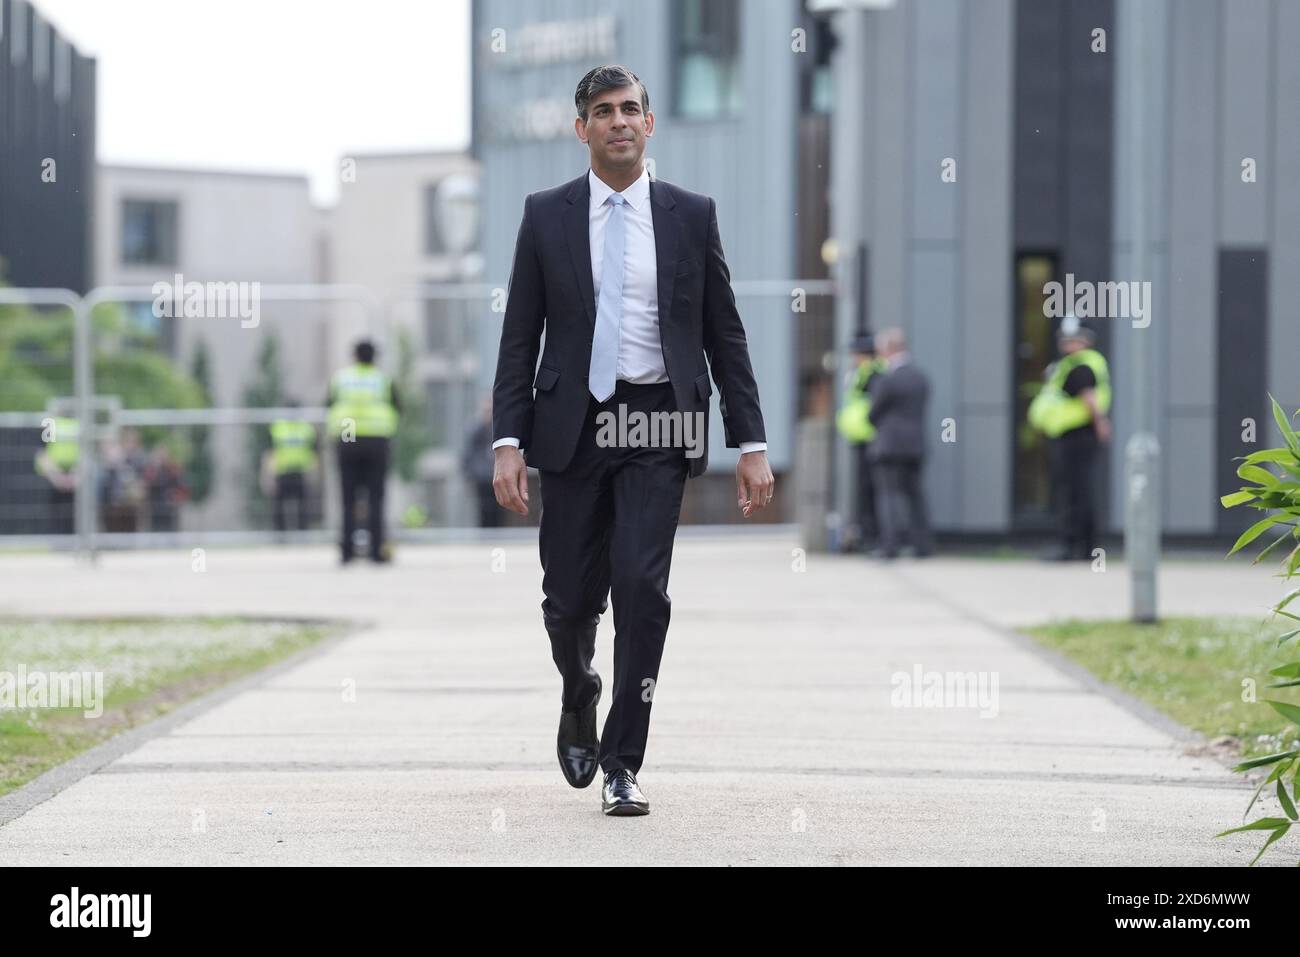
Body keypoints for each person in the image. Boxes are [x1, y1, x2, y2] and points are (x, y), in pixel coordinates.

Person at [491, 64, 773, 815]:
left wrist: (750, 441)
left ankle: (623, 760)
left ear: (650, 124)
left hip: (659, 419)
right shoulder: (545, 214)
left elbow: (725, 334)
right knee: (567, 600)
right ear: (581, 128)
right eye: (603, 111)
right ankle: (579, 687)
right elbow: (520, 336)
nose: (619, 121)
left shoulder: (690, 212)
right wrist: (507, 440)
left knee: (643, 589)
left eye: (631, 109)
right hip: (572, 426)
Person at [1027, 314, 1112, 561]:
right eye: (1065, 339)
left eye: (1073, 339)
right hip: (1073, 435)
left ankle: (1072, 546)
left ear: (1086, 341)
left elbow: (1089, 398)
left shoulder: (1082, 365)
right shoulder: (1073, 363)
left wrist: (1100, 423)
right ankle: (1084, 548)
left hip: (1078, 435)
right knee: (1078, 490)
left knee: (1075, 492)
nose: (1067, 344)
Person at [327, 339, 400, 564]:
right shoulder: (383, 380)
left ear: (355, 356)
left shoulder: (341, 379)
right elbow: (398, 407)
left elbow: (329, 405)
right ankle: (377, 551)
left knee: (348, 499)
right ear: (374, 357)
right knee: (376, 498)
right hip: (377, 441)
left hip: (348, 441)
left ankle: (347, 552)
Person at [867, 327, 934, 559]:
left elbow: (873, 412)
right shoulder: (921, 377)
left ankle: (890, 546)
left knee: (888, 495)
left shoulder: (888, 379)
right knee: (916, 495)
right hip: (915, 444)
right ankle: (922, 546)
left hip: (889, 445)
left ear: (888, 349)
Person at [835, 333, 886, 552]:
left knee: (871, 491)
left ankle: (873, 537)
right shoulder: (862, 372)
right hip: (861, 438)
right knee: (865, 491)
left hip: (871, 438)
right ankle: (868, 535)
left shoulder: (874, 373)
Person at [266, 399, 319, 534]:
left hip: (301, 473)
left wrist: (313, 474)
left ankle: (303, 538)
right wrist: (269, 476)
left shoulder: (307, 428)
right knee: (278, 511)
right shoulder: (277, 428)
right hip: (281, 472)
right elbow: (270, 453)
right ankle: (279, 539)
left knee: (303, 510)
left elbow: (314, 454)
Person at [33, 415, 79, 535]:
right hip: (53, 477)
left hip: (75, 477)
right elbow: (42, 453)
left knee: (75, 516)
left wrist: (75, 475)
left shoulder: (80, 424)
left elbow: (86, 453)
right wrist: (56, 477)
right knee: (55, 515)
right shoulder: (52, 424)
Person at [461, 395, 499, 528]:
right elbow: (469, 452)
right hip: (481, 477)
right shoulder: (476, 428)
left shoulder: (496, 427)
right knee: (484, 508)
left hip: (495, 473)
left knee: (497, 510)